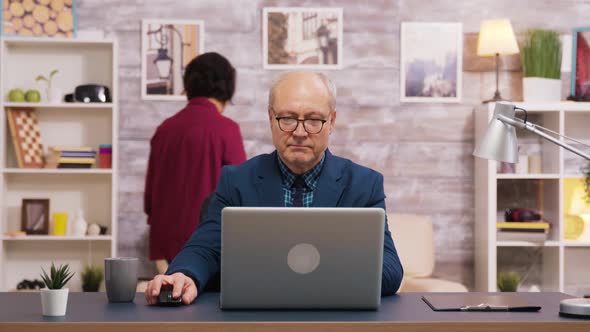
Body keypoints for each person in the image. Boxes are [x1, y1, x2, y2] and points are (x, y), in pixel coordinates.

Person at [145, 71, 403, 305]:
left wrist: (321, 275)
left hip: (334, 319)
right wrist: (183, 274)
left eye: (314, 120)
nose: (300, 132)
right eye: (288, 119)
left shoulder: (364, 185)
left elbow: (390, 269)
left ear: (332, 121)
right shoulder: (236, 180)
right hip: (258, 320)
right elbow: (205, 247)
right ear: (271, 117)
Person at [144, 52, 247, 264]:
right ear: (227, 87)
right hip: (209, 249)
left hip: (165, 250)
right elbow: (241, 198)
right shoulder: (226, 130)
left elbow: (149, 201)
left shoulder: (164, 129)